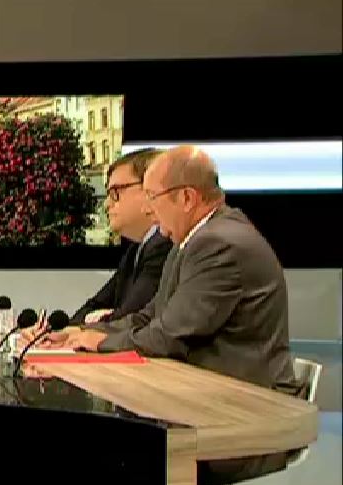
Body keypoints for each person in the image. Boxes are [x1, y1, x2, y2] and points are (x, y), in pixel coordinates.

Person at [53, 146, 297, 392]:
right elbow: (149, 317)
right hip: (214, 392)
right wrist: (80, 333)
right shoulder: (189, 240)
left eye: (152, 197)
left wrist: (101, 342)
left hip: (251, 399)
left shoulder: (217, 243)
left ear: (186, 198)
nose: (148, 210)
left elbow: (171, 336)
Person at [70, 148, 172, 325]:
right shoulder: (135, 250)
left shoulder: (165, 245)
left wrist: (100, 319)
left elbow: (130, 319)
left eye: (115, 193)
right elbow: (96, 304)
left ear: (151, 189)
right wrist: (53, 332)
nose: (107, 204)